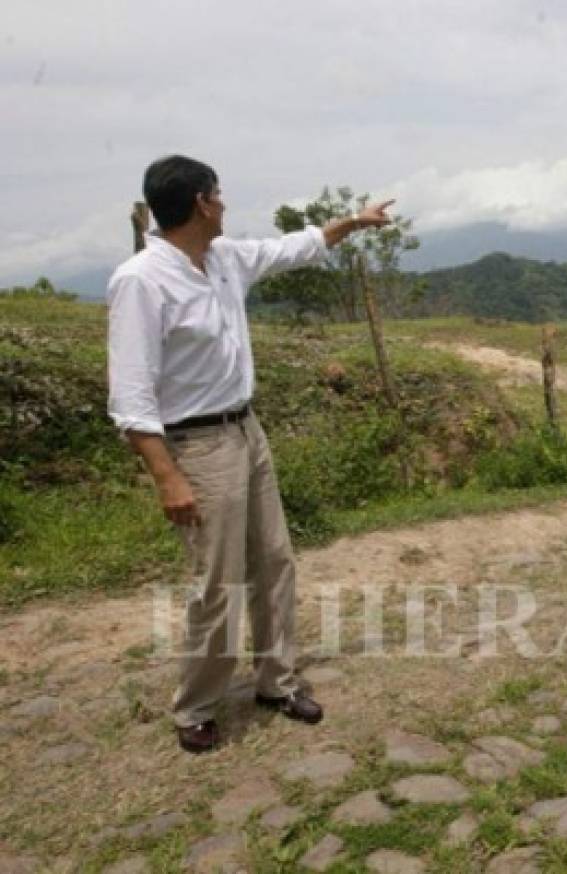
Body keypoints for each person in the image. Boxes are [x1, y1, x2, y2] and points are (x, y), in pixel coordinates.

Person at [107, 155, 393, 753]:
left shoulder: (224, 259)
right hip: (197, 445)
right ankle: (196, 707)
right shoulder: (141, 281)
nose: (225, 203)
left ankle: (276, 681)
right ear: (201, 204)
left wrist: (355, 223)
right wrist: (167, 477)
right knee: (217, 582)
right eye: (218, 194)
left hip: (246, 431)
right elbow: (131, 398)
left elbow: (297, 246)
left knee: (273, 560)